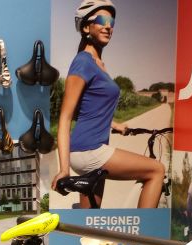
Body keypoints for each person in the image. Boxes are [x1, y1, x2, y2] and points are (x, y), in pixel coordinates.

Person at [51, 0, 165, 209]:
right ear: (86, 27)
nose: (108, 26)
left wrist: (115, 125)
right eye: (102, 20)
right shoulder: (83, 62)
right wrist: (64, 169)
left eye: (111, 22)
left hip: (90, 150)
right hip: (88, 150)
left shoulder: (98, 64)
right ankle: (143, 230)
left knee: (89, 220)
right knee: (156, 170)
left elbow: (85, 110)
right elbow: (65, 118)